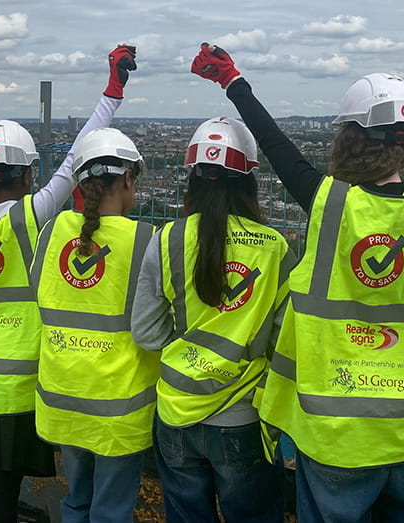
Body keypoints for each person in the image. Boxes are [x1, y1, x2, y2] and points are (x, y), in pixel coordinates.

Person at [191, 44, 404, 522]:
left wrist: (234, 82)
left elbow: (276, 146)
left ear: (348, 139)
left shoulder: (329, 204)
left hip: (335, 433)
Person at [0, 31, 139, 522]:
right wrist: (112, 90)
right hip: (18, 382)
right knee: (2, 488)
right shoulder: (34, 215)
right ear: (26, 175)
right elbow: (77, 158)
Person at [131, 117, 293, 522]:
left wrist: (189, 349)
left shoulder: (166, 239)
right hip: (243, 415)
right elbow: (284, 340)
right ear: (249, 181)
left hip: (175, 414)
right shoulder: (274, 248)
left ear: (193, 181)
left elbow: (147, 333)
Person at [30, 127, 159, 523]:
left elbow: (40, 289)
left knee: (76, 503)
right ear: (127, 179)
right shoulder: (145, 238)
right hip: (118, 408)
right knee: (111, 511)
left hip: (64, 397)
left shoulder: (53, 231)